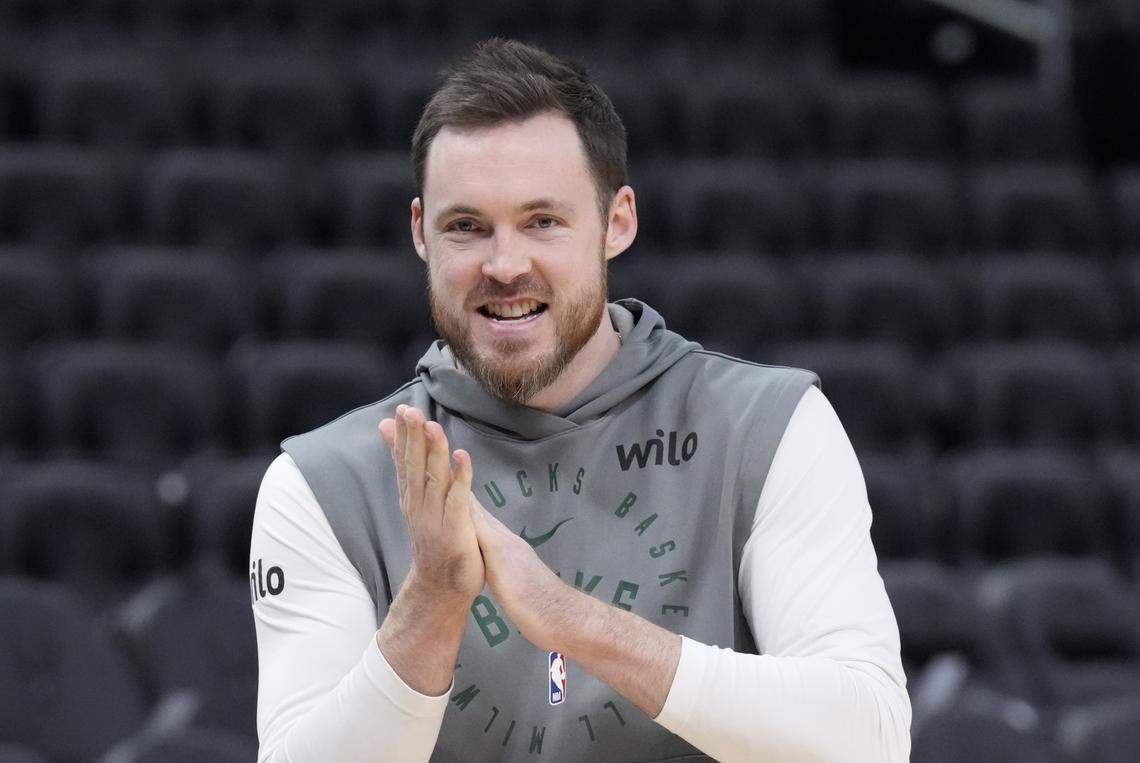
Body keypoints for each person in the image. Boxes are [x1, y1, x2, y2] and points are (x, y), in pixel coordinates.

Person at [251, 37, 911, 762]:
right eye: (467, 227)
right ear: (420, 234)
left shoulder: (768, 428)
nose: (506, 265)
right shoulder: (324, 482)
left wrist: (572, 619)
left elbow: (869, 741)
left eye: (543, 221)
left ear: (617, 221)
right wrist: (432, 599)